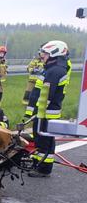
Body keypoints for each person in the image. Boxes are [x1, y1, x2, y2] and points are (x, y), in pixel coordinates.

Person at [25, 40, 70, 177]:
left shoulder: (55, 71)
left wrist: (37, 113)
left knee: (45, 140)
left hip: (46, 112)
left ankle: (44, 168)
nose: (42, 55)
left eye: (44, 53)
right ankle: (38, 163)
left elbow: (46, 95)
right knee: (40, 139)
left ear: (53, 53)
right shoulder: (51, 68)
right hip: (42, 112)